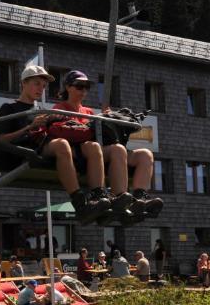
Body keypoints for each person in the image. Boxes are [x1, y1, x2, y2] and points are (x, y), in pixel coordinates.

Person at [0, 65, 109, 223]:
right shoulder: (10, 108)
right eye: (36, 84)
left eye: (43, 86)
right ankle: (79, 201)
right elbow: (2, 140)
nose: (40, 89)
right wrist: (30, 127)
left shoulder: (41, 110)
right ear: (24, 83)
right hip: (24, 152)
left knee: (81, 146)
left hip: (42, 148)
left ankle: (99, 196)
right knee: (61, 145)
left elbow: (49, 134)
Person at [53, 70, 162, 223]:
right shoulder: (59, 108)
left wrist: (108, 120)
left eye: (86, 87)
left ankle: (138, 197)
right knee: (115, 149)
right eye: (79, 86)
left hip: (95, 150)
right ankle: (118, 197)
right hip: (79, 151)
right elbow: (60, 132)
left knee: (145, 154)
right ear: (68, 87)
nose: (83, 91)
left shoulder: (88, 111)